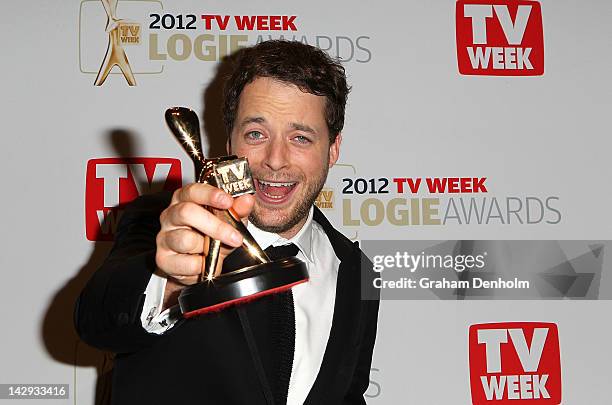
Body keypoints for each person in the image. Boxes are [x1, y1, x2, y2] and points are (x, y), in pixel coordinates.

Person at [75, 40, 380, 405]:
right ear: (229, 139)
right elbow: (97, 321)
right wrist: (171, 282)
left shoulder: (356, 270)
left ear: (333, 149)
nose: (275, 160)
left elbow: (348, 395)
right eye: (256, 134)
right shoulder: (163, 223)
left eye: (300, 137)